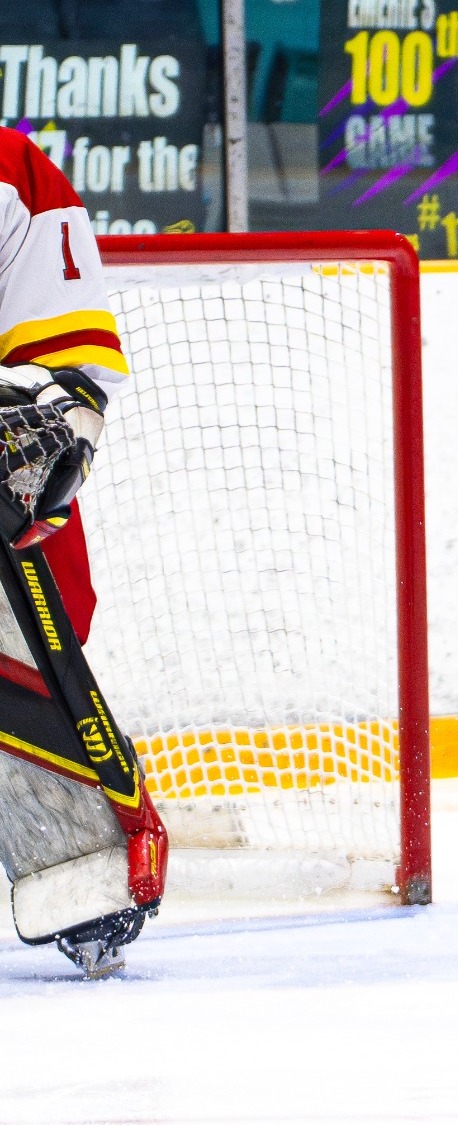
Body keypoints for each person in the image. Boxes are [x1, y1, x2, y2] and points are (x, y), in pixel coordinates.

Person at [0, 127, 166, 976]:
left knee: (26, 633)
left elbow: (60, 376)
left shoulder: (11, 172)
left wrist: (42, 419)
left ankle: (77, 866)